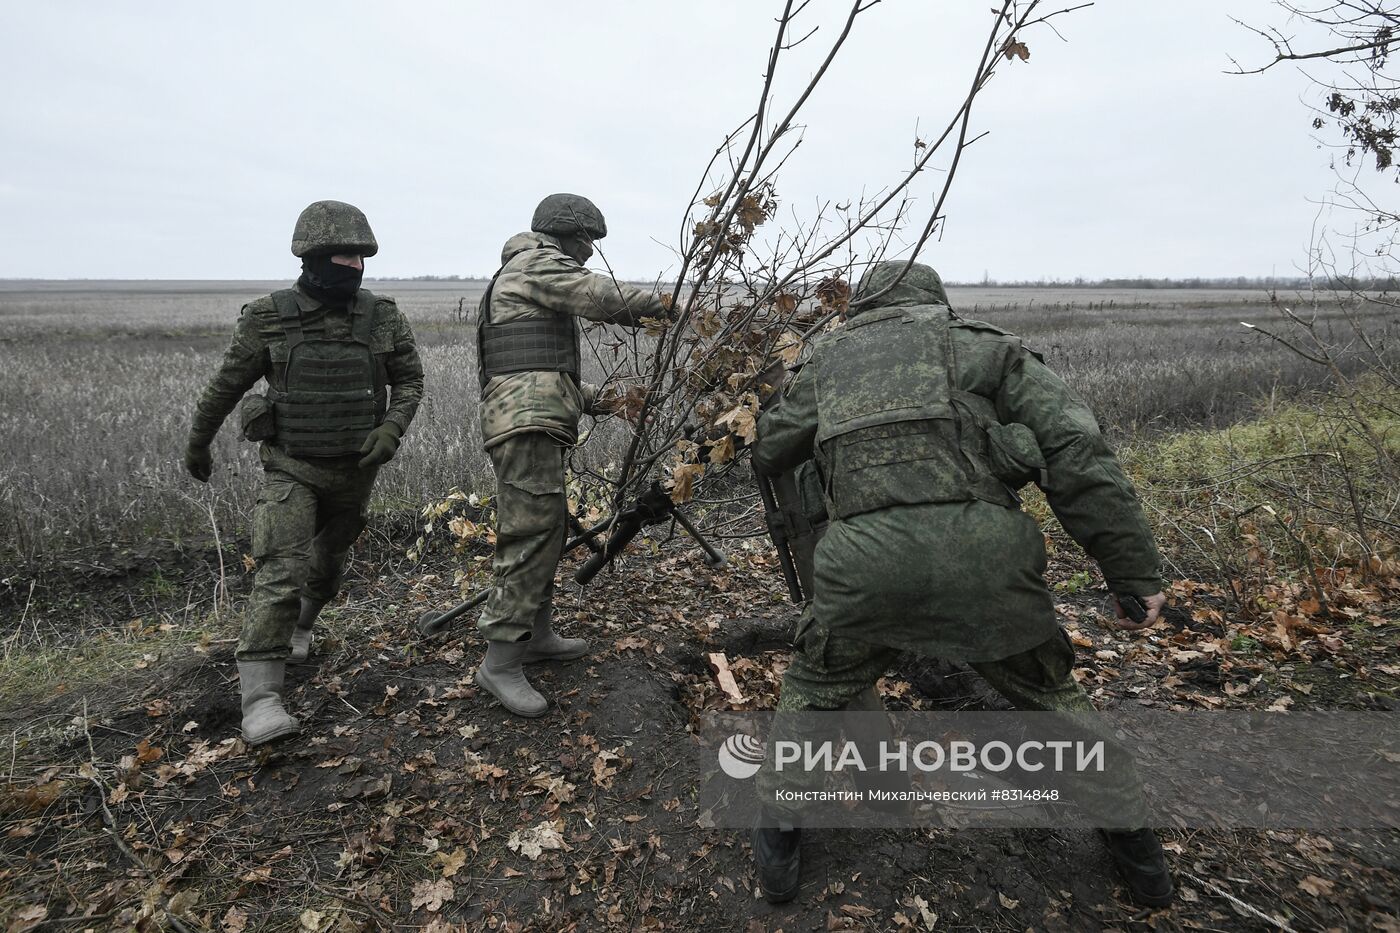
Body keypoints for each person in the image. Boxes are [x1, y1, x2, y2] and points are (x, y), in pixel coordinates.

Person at [749, 261, 1174, 907]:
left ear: (859, 306)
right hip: (986, 567)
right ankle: (1141, 860)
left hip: (866, 572)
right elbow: (1078, 453)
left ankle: (777, 848)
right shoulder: (987, 348)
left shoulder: (825, 363)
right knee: (1054, 702)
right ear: (935, 300)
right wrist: (1131, 573)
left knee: (811, 691)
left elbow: (769, 448)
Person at [183, 200, 424, 745]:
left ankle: (304, 626)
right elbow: (226, 385)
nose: (354, 267)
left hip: (356, 472)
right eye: (343, 257)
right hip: (292, 468)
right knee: (279, 570)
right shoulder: (268, 317)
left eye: (361, 258)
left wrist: (392, 429)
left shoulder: (382, 316)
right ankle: (262, 699)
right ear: (313, 257)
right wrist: (198, 445)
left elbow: (409, 380)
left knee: (328, 565)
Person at [473, 193, 669, 718]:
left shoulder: (522, 274)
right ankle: (500, 664)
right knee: (530, 535)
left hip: (532, 419)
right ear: (563, 233)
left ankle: (535, 638)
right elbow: (600, 297)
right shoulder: (536, 263)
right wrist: (670, 306)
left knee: (547, 530)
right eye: (585, 239)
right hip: (526, 427)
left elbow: (534, 372)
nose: (588, 251)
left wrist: (605, 401)